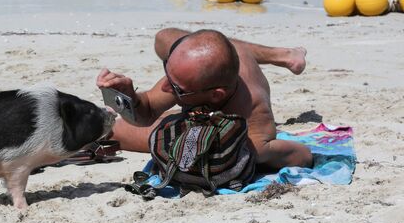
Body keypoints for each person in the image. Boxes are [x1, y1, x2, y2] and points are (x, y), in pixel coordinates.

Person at [96, 28, 313, 171]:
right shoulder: (189, 81)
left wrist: (264, 155)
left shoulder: (252, 122)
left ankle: (279, 54)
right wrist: (130, 96)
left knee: (113, 132)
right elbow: (148, 109)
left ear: (215, 95)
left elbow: (303, 156)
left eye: (176, 88)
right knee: (163, 38)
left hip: (232, 95)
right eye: (168, 73)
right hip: (215, 64)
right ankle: (282, 55)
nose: (164, 87)